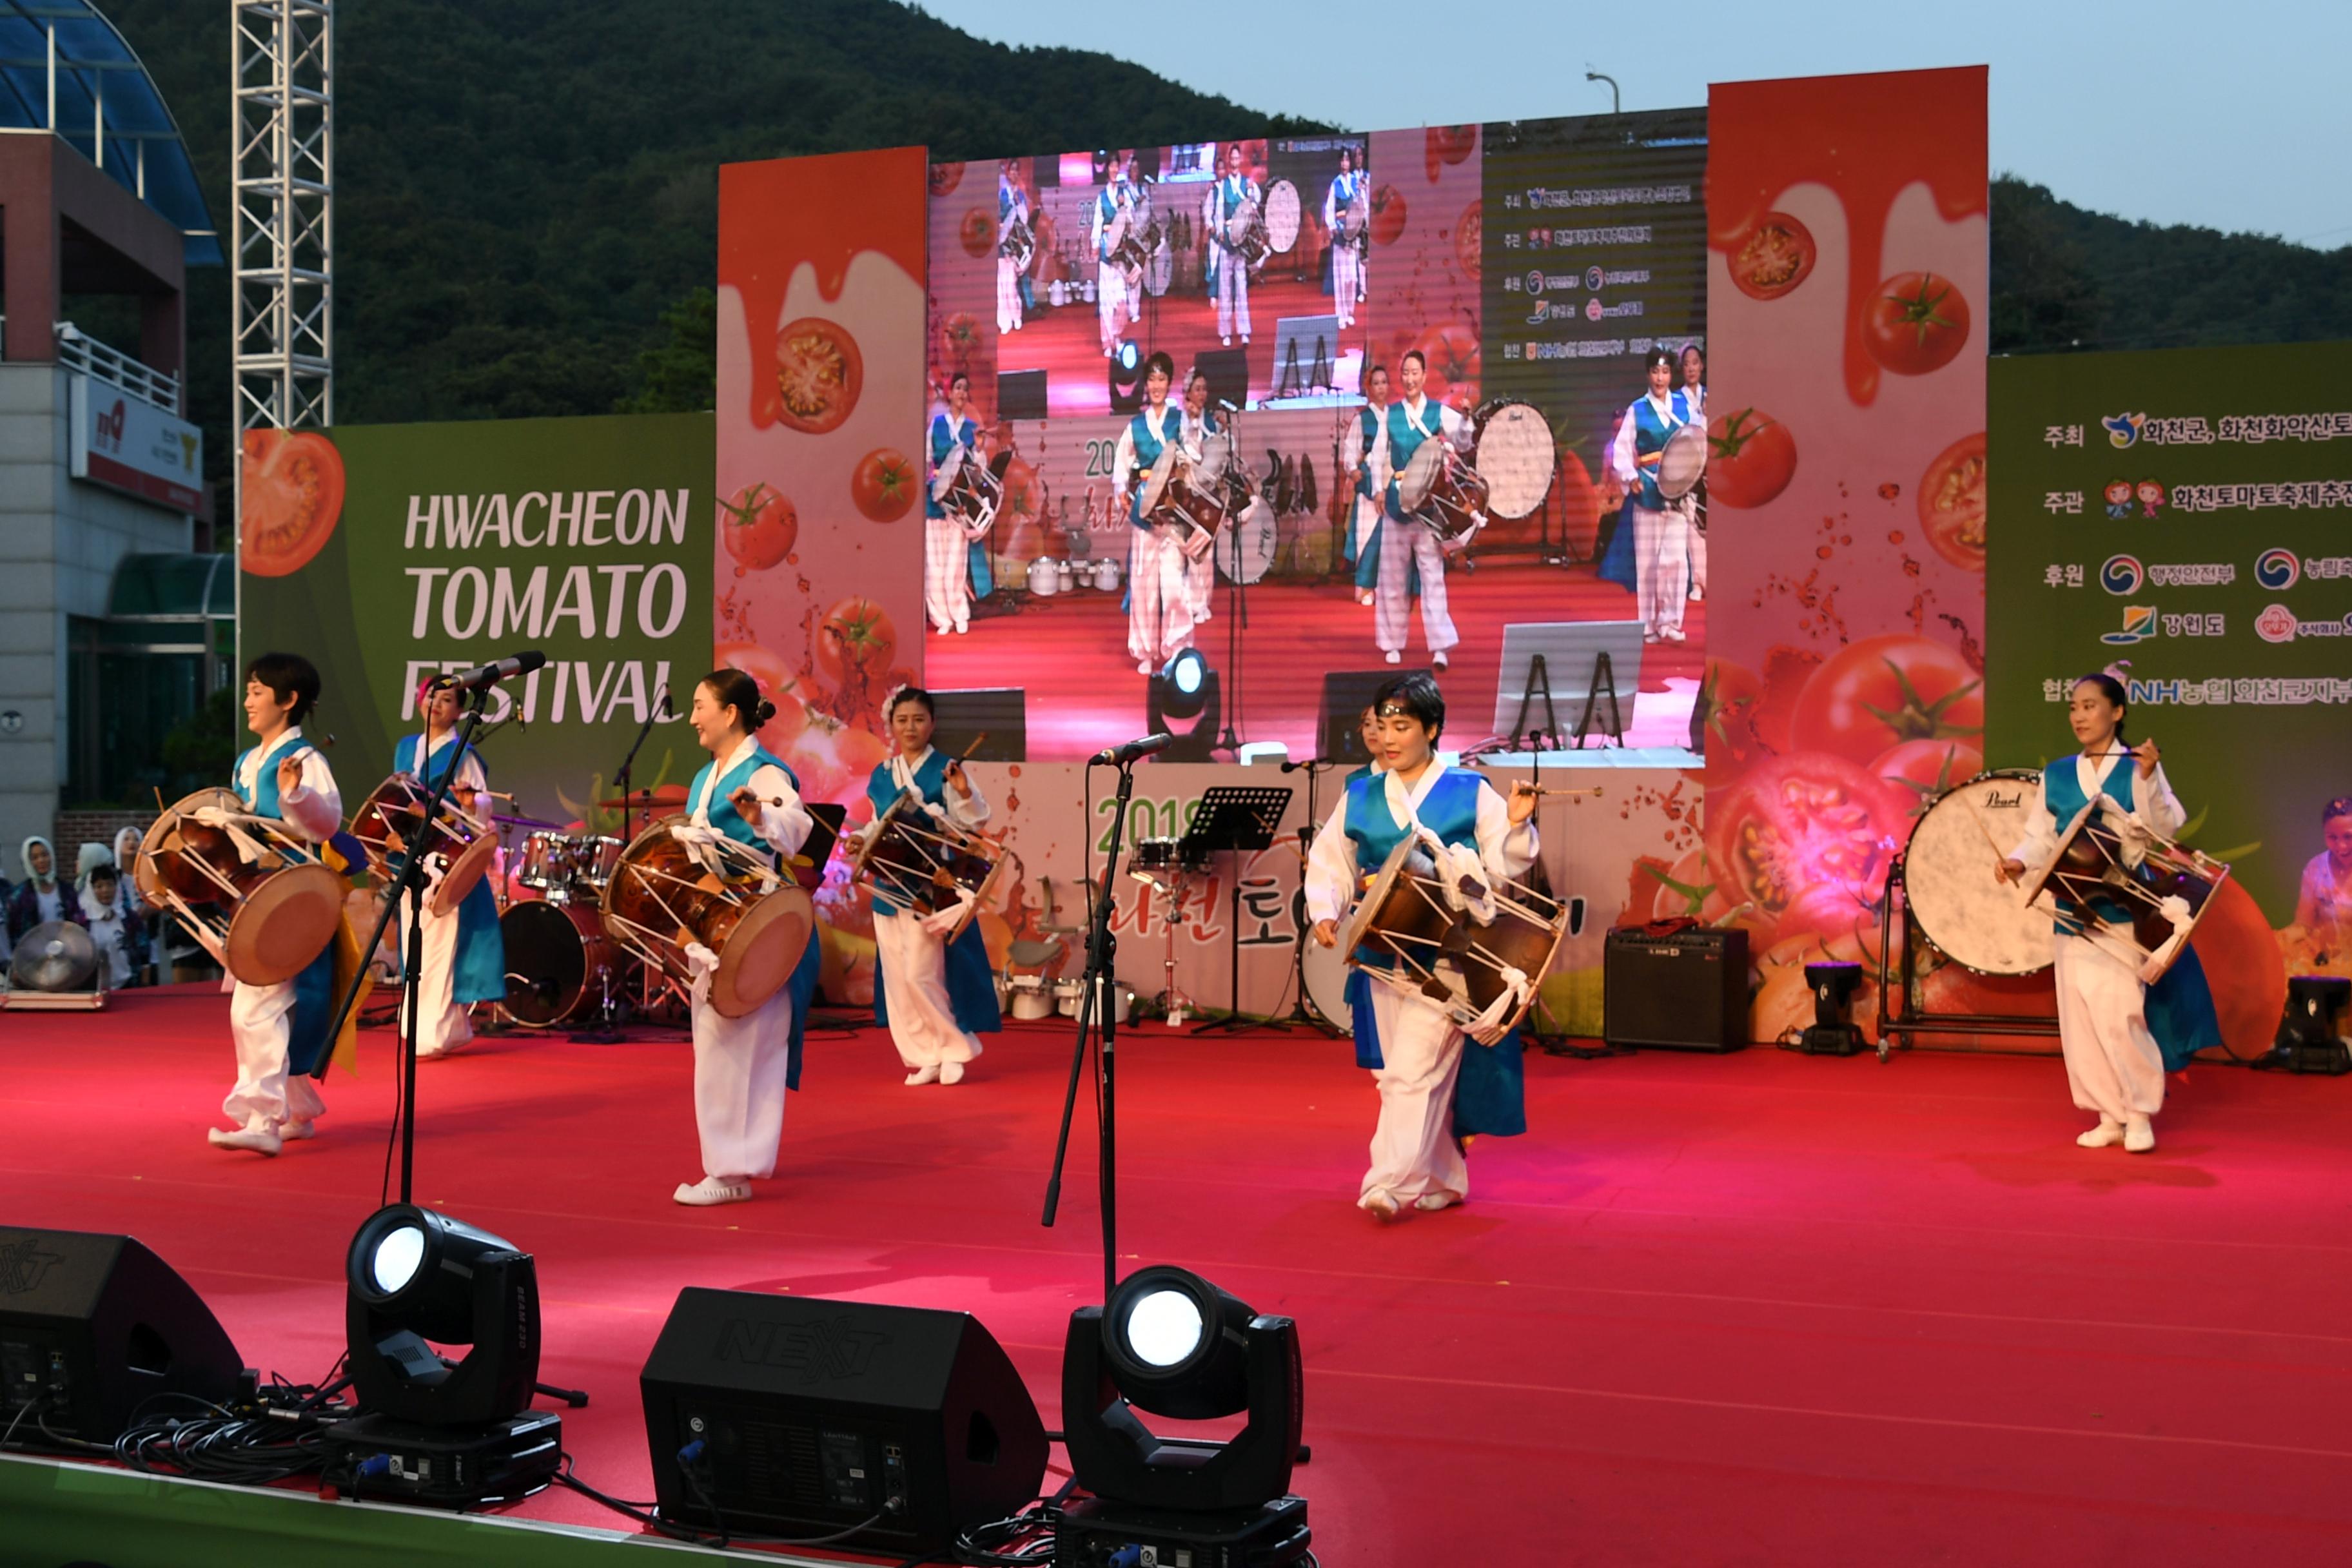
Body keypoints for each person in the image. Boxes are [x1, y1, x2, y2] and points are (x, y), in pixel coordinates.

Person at [1305, 673, 1539, 1218]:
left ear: (1432, 729)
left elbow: (1505, 865)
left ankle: (1388, 1184)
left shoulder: (1468, 790)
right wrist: (1325, 909)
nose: (1388, 738)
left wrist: (1518, 826)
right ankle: (1444, 1178)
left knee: (1414, 1069)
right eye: (1381, 725)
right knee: (1399, 1074)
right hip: (1383, 950)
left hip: (1452, 953)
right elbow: (1331, 860)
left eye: (1402, 726)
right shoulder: (1361, 793)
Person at [1996, 674, 2221, 1154]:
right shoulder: (2058, 774)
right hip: (2071, 906)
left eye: (2090, 706)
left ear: (2117, 712)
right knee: (2079, 1017)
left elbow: (2166, 827)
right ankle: (2107, 1114)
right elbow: (2041, 835)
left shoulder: (2139, 765)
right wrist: (2019, 859)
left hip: (2124, 907)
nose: (2079, 716)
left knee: (2121, 1014)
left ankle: (2138, 1112)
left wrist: (2146, 778)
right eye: (2074, 707)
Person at [671, 667, 823, 1206]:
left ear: (730, 713)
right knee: (721, 1041)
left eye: (699, 706)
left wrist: (760, 816)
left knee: (739, 1044)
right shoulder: (705, 776)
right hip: (717, 915)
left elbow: (798, 828)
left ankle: (732, 1168)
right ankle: (734, 1162)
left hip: (756, 918)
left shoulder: (764, 772)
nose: (692, 719)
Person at [211, 652, 344, 1155]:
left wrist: (294, 796)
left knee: (255, 1007)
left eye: (257, 692)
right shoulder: (248, 761)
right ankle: (297, 1109)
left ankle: (261, 1120)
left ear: (288, 701)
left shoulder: (308, 762)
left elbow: (326, 825)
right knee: (274, 1005)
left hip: (293, 895)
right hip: (258, 893)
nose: (247, 701)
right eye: (248, 691)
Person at [862, 688, 1000, 1085]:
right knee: (898, 978)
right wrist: (863, 840)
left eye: (919, 719)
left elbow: (973, 823)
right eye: (903, 720)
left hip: (930, 883)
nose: (910, 727)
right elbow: (876, 825)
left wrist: (961, 791)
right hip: (889, 882)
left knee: (924, 974)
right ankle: (925, 1054)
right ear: (892, 725)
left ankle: (956, 1046)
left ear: (933, 724)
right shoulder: (882, 774)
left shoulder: (946, 768)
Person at [393, 676, 507, 1059]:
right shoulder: (407, 748)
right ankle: (435, 1026)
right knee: (415, 942)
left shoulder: (464, 753)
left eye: (446, 700)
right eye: (431, 697)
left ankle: (436, 1032)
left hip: (446, 855)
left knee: (440, 945)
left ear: (460, 711)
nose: (435, 705)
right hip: (410, 850)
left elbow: (480, 808)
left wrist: (468, 805)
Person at [1373, 350, 1466, 669]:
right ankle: (1392, 642)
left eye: (1416, 373)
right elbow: (1377, 455)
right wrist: (1377, 489)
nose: (1410, 379)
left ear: (1425, 376)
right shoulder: (1391, 414)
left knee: (1432, 576)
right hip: (1398, 503)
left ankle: (1440, 646)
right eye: (1406, 373)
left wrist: (1466, 418)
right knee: (1392, 577)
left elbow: (1464, 440)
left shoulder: (1439, 411)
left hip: (1427, 505)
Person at [1113, 351, 1198, 674]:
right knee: (1144, 585)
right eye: (1152, 379)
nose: (1157, 385)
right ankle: (1146, 651)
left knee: (1174, 584)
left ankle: (1177, 648)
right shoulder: (1136, 425)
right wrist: (1122, 491)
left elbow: (1193, 455)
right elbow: (1121, 465)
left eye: (1163, 379)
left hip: (1174, 511)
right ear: (1146, 385)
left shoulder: (1181, 420)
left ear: (1169, 383)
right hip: (1145, 513)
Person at [1609, 346, 1696, 643]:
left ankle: (1671, 621)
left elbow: (1699, 441)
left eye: (1666, 372)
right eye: (1655, 372)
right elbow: (1622, 449)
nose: (1660, 378)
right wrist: (1630, 477)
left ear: (1672, 374)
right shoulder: (1638, 409)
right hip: (1648, 488)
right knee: (1648, 561)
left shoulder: (1685, 406)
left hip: (1678, 490)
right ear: (1648, 374)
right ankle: (1646, 623)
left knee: (1675, 560)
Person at [925, 373, 983, 636]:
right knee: (934, 564)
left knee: (955, 563)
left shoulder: (972, 428)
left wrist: (980, 448)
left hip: (959, 501)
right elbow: (925, 460)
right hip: (936, 501)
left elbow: (979, 469)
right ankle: (941, 617)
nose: (962, 393)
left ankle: (959, 612)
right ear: (949, 393)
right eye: (958, 388)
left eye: (965, 389)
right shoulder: (935, 425)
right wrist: (934, 478)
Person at [1343, 364, 1397, 608]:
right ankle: (1365, 587)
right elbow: (1350, 454)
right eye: (1376, 383)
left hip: (1393, 482)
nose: (1381, 387)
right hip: (1369, 486)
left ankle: (1389, 588)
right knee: (1368, 537)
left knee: (1392, 538)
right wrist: (1357, 475)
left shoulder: (1397, 416)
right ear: (1369, 388)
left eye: (1384, 382)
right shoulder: (1362, 419)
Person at [1179, 368, 1224, 623]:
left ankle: (1203, 602)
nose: (1202, 394)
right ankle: (1188, 602)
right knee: (1188, 550)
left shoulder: (1213, 423)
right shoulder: (1181, 420)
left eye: (1204, 389)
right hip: (1187, 494)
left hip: (1208, 495)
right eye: (1198, 389)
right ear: (1187, 393)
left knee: (1206, 553)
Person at [1205, 142, 1260, 347]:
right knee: (1226, 290)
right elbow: (1218, 212)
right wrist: (1220, 232)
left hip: (1242, 240)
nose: (1235, 162)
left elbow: (1255, 203)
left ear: (1241, 160)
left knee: (1242, 288)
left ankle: (1244, 330)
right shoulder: (1222, 187)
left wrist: (1253, 189)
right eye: (1233, 159)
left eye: (1238, 158)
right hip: (1227, 240)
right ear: (1229, 161)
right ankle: (1225, 331)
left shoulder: (1246, 184)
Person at [2289, 796, 2352, 966]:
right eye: (2333, 837)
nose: (2341, 846)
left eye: (2348, 837)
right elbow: (2304, 926)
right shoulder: (2316, 869)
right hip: (2326, 967)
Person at [1090, 150, 1142, 357]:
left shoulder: (1125, 193)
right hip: (1106, 252)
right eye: (1111, 166)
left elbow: (1131, 220)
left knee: (1121, 299)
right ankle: (1107, 342)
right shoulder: (1101, 197)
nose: (1114, 169)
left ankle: (1117, 337)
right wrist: (1096, 244)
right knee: (1106, 300)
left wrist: (1122, 206)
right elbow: (1097, 224)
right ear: (1107, 169)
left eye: (1116, 166)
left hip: (1121, 252)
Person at [79, 863, 145, 990]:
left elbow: (143, 950)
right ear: (91, 890)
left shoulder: (128, 917)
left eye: (110, 885)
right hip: (95, 987)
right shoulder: (83, 922)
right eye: (99, 886)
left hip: (128, 984)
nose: (105, 890)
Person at [1324, 146, 1366, 331]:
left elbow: (1362, 204)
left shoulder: (1357, 181)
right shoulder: (1335, 184)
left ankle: (1350, 312)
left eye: (1347, 160)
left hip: (1354, 235)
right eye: (1342, 161)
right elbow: (1330, 209)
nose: (1345, 164)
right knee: (1340, 279)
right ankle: (1340, 315)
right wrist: (1332, 227)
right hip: (1341, 237)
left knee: (1352, 279)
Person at [1679, 342, 1708, 604]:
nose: (1691, 368)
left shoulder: (1711, 396)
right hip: (1690, 471)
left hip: (1713, 471)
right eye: (1686, 364)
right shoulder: (1676, 401)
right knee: (1692, 530)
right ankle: (1698, 582)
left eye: (1695, 363)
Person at [9, 836, 74, 941]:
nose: (41, 860)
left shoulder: (67, 891)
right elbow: (14, 931)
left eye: (45, 855)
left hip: (64, 951)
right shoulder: (19, 896)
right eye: (35, 858)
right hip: (33, 954)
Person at [995, 159, 1029, 335]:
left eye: (1017, 170)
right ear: (1007, 174)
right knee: (1000, 288)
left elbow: (1024, 220)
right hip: (1000, 244)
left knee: (1010, 285)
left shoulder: (1021, 195)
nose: (1014, 173)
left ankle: (1016, 316)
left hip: (1015, 245)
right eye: (1012, 171)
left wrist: (1018, 201)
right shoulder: (1000, 195)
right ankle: (1004, 321)